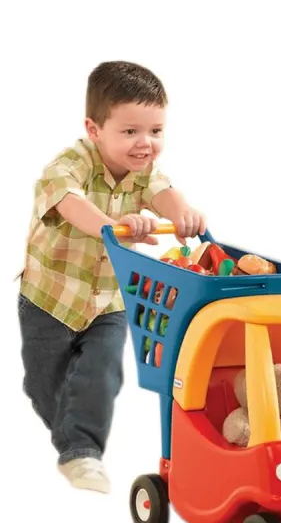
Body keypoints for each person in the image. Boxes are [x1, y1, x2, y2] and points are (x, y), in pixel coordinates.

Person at [17, 61, 206, 494]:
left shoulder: (143, 170)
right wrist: (113, 225)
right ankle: (61, 415)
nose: (146, 143)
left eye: (156, 131)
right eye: (131, 131)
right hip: (50, 297)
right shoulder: (69, 165)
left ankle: (82, 453)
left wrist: (183, 214)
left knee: (101, 373)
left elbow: (162, 191)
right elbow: (70, 204)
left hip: (111, 299)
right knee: (46, 385)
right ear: (95, 129)